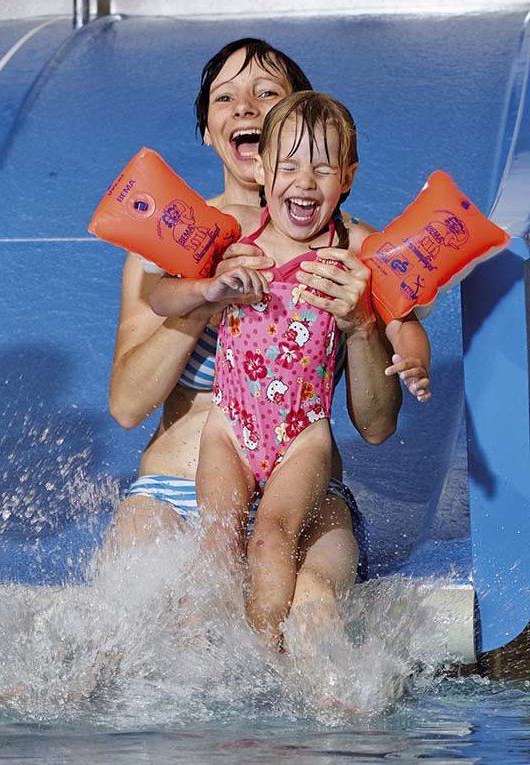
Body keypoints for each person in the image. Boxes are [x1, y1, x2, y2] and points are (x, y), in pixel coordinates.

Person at [99, 39, 410, 642]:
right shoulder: (171, 246)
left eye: (266, 93)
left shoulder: (351, 251)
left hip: (303, 494)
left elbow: (377, 426)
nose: (245, 106)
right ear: (209, 132)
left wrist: (362, 324)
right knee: (126, 622)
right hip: (176, 490)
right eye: (225, 97)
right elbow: (126, 405)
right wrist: (205, 299)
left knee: (313, 607)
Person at [143, 92, 381, 648]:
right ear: (263, 170)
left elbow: (405, 318)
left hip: (303, 435)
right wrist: (208, 289)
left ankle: (264, 659)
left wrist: (411, 358)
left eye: (322, 168)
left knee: (271, 539)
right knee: (219, 539)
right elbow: (160, 296)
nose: (303, 181)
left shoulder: (351, 253)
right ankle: (210, 653)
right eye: (289, 165)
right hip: (228, 427)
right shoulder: (234, 237)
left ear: (346, 177)